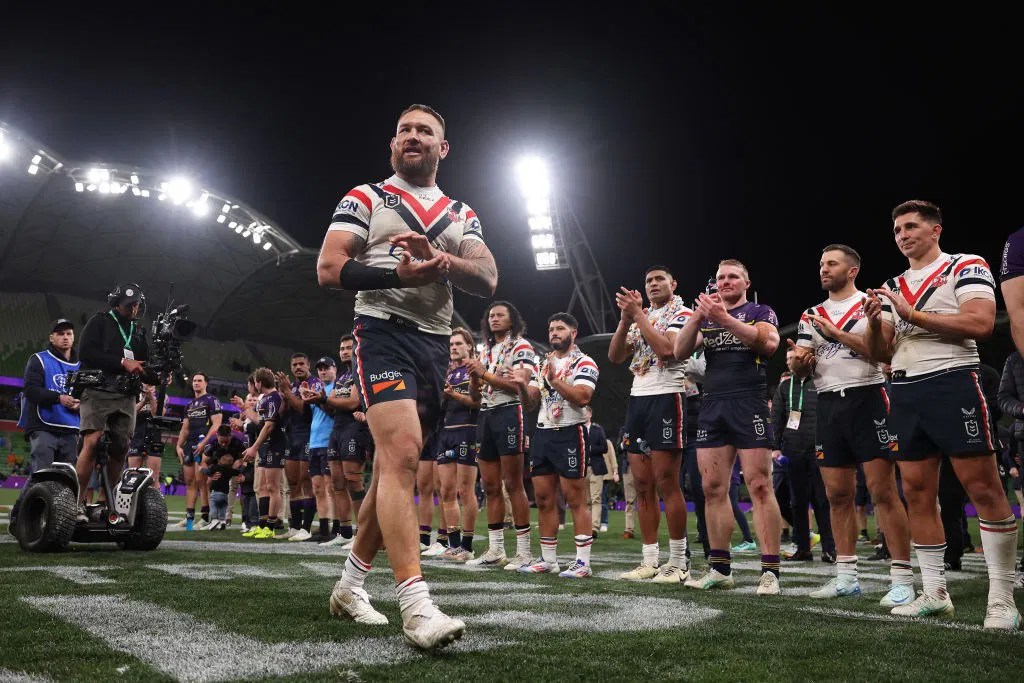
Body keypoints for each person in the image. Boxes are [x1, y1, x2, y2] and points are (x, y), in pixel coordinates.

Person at [316, 103, 497, 649]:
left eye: (425, 131)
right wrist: (396, 271)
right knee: (401, 457)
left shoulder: (461, 213)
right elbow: (329, 268)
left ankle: (349, 586)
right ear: (392, 145)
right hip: (382, 331)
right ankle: (417, 606)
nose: (412, 136)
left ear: (444, 149)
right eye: (404, 130)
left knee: (395, 466)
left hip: (435, 342)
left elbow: (486, 275)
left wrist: (443, 263)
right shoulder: (366, 197)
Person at [863, 200, 1018, 629]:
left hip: (953, 381)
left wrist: (910, 313)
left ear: (935, 230)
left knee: (984, 488)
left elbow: (980, 323)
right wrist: (877, 323)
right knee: (915, 492)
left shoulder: (964, 265)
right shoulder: (894, 283)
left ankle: (1002, 600)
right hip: (906, 387)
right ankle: (934, 593)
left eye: (911, 226)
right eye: (896, 230)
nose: (902, 235)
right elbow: (881, 353)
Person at [790, 245, 915, 605]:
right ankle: (846, 576)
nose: (823, 269)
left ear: (852, 270)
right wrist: (799, 362)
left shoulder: (872, 304)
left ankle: (903, 578)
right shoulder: (810, 314)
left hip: (869, 397)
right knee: (837, 495)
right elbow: (800, 368)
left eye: (831, 263)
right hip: (827, 403)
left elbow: (882, 353)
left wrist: (835, 334)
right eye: (821, 263)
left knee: (883, 492)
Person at [673, 260, 784, 595]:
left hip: (748, 401)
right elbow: (677, 351)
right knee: (712, 489)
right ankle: (720, 568)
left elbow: (767, 344)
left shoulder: (760, 311)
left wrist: (724, 318)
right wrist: (697, 315)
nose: (725, 282)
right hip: (713, 404)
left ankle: (770, 571)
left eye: (732, 276)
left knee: (759, 485)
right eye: (720, 277)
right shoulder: (706, 316)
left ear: (746, 281)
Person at [608, 265, 692, 583]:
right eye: (648, 281)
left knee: (667, 482)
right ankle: (650, 560)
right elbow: (616, 355)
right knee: (643, 485)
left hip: (667, 396)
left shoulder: (682, 312)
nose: (653, 284)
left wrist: (638, 316)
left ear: (673, 283)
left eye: (659, 279)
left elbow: (668, 349)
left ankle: (679, 561)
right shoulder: (640, 317)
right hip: (639, 397)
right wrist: (625, 319)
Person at [514, 313, 599, 578]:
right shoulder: (543, 365)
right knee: (543, 498)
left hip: (570, 433)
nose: (554, 333)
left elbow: (583, 397)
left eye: (560, 328)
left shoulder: (585, 362)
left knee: (575, 498)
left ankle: (583, 562)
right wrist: (520, 386)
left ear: (574, 332)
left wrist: (555, 380)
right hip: (543, 433)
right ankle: (548, 560)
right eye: (551, 329)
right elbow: (531, 404)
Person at [75, 283, 160, 518]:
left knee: (121, 448)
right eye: (129, 305)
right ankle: (78, 502)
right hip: (98, 389)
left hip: (126, 395)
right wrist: (122, 362)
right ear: (116, 303)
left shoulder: (139, 332)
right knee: (92, 442)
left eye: (137, 305)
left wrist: (159, 374)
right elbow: (85, 353)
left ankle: (104, 502)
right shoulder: (99, 321)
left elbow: (144, 368)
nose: (133, 309)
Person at [465, 301, 537, 570]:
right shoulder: (485, 351)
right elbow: (474, 397)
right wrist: (475, 378)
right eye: (491, 315)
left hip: (509, 412)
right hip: (485, 414)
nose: (494, 319)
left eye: (500, 315)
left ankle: (524, 552)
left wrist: (484, 374)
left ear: (512, 320)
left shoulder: (522, 346)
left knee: (513, 483)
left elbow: (521, 385)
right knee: (490, 486)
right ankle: (496, 549)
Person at [10, 318, 81, 536]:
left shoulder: (81, 365)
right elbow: (31, 390)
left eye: (69, 333)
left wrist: (82, 404)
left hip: (70, 428)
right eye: (60, 333)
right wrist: (59, 398)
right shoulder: (39, 360)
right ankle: (20, 517)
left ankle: (56, 521)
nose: (65, 337)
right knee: (42, 474)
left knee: (68, 478)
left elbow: (88, 393)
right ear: (51, 337)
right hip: (43, 424)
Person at [771, 348, 836, 563]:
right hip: (793, 451)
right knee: (797, 502)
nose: (791, 362)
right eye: (788, 359)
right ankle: (803, 548)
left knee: (822, 501)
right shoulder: (784, 386)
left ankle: (829, 548)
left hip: (819, 449)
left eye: (795, 358)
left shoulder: (821, 381)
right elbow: (777, 417)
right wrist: (776, 446)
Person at [436, 327, 482, 561]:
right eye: (451, 344)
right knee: (446, 490)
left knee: (465, 490)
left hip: (468, 431)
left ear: (469, 346)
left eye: (458, 344)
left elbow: (477, 402)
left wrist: (453, 395)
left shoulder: (475, 370)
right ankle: (453, 544)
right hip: (446, 432)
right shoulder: (447, 373)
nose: (453, 347)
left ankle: (467, 545)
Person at [321, 335, 368, 548]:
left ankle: (362, 533)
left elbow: (353, 402)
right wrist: (317, 398)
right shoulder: (341, 377)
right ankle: (345, 532)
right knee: (337, 484)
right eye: (342, 348)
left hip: (353, 429)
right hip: (337, 430)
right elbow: (332, 406)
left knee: (354, 481)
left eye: (349, 347)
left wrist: (324, 399)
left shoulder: (360, 372)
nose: (344, 351)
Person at [275, 354, 322, 541]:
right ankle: (294, 527)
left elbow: (304, 409)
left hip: (309, 436)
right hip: (291, 436)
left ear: (308, 365)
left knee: (306, 482)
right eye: (294, 364)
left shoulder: (314, 384)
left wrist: (287, 392)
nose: (298, 367)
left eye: (301, 363)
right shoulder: (291, 386)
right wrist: (285, 396)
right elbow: (281, 415)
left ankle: (306, 528)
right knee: (293, 483)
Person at [241, 367, 288, 539]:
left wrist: (253, 447)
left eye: (255, 383)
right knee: (262, 487)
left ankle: (271, 526)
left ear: (259, 383)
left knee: (273, 487)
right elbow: (261, 423)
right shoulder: (264, 399)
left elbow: (269, 426)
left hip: (275, 445)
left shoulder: (275, 397)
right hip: (265, 446)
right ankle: (261, 524)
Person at [175, 372, 223, 530]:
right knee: (189, 482)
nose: (196, 383)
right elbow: (185, 428)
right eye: (194, 380)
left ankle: (204, 518)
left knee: (201, 481)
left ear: (206, 383)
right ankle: (189, 520)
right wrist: (178, 446)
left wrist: (204, 442)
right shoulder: (189, 405)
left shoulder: (212, 400)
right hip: (190, 444)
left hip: (204, 443)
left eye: (199, 380)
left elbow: (217, 424)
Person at [302, 356, 341, 543]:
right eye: (320, 369)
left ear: (335, 369)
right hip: (314, 442)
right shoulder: (317, 390)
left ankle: (336, 528)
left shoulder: (337, 388)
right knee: (317, 488)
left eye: (327, 368)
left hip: (328, 442)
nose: (323, 371)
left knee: (330, 487)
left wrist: (318, 400)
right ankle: (324, 529)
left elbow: (334, 412)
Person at [127, 384, 162, 491]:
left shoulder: (162, 395)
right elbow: (130, 413)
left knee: (154, 479)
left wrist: (151, 398)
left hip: (154, 437)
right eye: (146, 383)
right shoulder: (134, 394)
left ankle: (155, 506)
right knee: (133, 477)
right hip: (136, 437)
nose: (148, 385)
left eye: (151, 384)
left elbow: (158, 414)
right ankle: (133, 506)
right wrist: (143, 401)